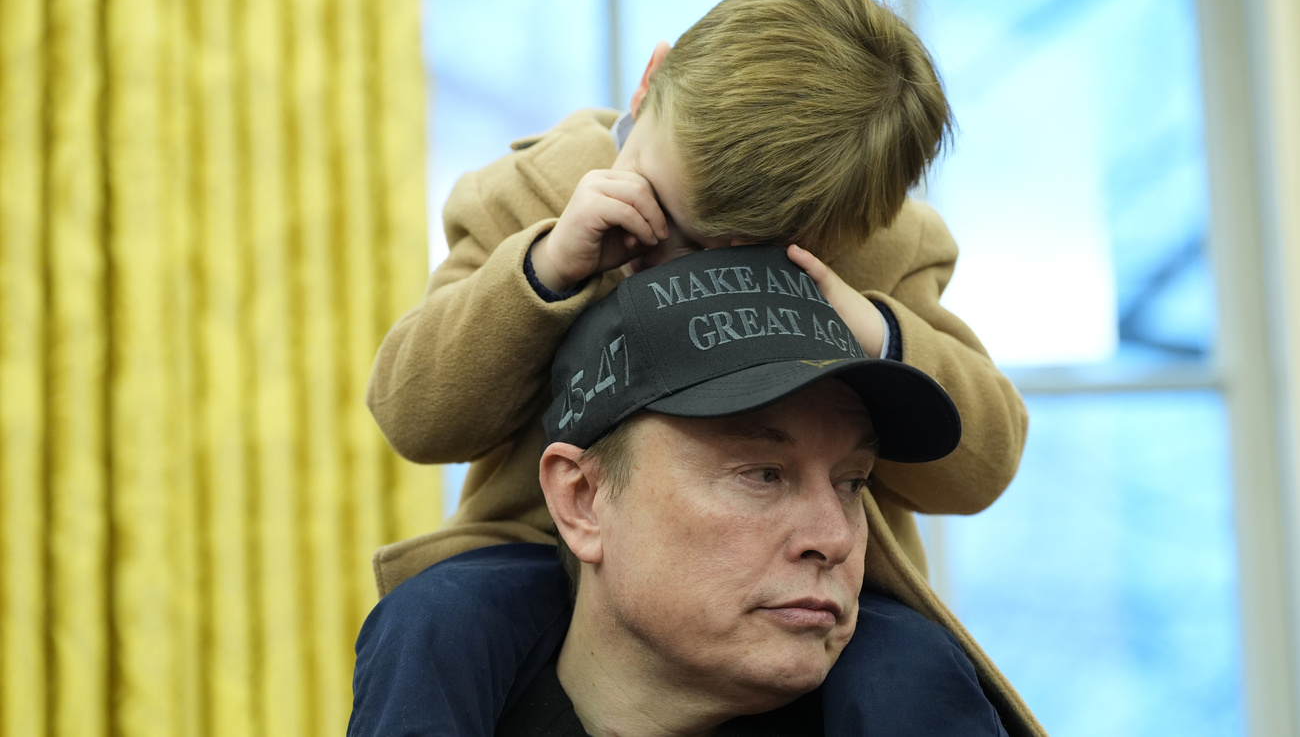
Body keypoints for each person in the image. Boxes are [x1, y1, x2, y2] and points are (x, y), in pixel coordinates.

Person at [364, 0, 1028, 733]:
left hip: (804, 596)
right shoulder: (531, 194)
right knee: (429, 624)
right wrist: (544, 271)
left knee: (912, 674)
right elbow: (413, 416)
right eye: (670, 224)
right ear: (649, 83)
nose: (686, 268)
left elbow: (983, 465)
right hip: (539, 554)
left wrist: (878, 331)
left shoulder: (883, 247)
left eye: (748, 256)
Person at [350, 247, 1044, 736]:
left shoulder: (907, 700)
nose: (834, 537)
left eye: (853, 481)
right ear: (583, 500)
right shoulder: (440, 671)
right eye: (762, 474)